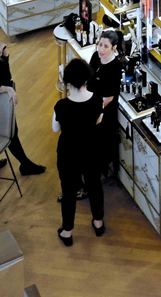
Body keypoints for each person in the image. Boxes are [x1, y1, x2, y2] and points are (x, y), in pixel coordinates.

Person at [53, 57, 105, 244]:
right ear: (86, 79)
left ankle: (67, 231)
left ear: (67, 80)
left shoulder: (61, 106)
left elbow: (56, 129)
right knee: (94, 186)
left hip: (68, 153)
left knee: (68, 191)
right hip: (91, 149)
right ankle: (98, 223)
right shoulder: (97, 100)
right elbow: (98, 121)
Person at [0, 42, 46, 177]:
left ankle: (25, 164)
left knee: (13, 132)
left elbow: (5, 76)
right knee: (11, 133)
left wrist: (5, 56)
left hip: (3, 100)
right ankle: (26, 165)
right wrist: (7, 88)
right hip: (2, 101)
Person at [88, 29, 122, 178]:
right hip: (93, 104)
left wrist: (91, 110)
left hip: (104, 112)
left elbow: (109, 98)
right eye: (100, 44)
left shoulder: (115, 67)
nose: (101, 49)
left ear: (114, 47)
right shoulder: (96, 56)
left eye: (105, 46)